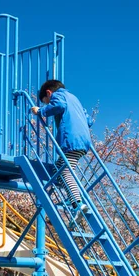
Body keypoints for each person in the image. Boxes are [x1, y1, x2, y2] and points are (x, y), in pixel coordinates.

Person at [31, 80, 94, 216]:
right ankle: (72, 197)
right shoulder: (74, 99)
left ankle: (77, 204)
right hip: (83, 140)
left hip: (71, 139)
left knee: (65, 171)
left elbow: (58, 105)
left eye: (47, 101)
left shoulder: (58, 96)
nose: (49, 104)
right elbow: (89, 121)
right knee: (57, 169)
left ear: (49, 92)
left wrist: (41, 111)